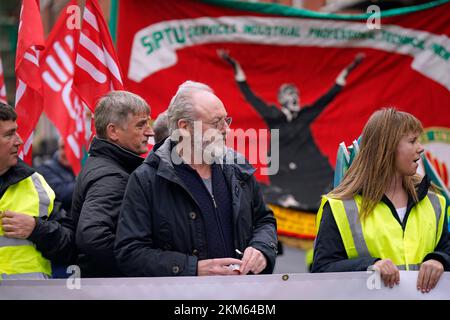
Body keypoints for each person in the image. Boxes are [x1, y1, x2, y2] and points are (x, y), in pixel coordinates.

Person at [114, 81, 278, 277]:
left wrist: (261, 249)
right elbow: (130, 253)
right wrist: (192, 269)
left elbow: (264, 220)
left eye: (227, 121)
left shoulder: (237, 167)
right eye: (217, 123)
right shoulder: (147, 179)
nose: (227, 130)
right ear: (184, 127)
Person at [312, 108, 450, 293]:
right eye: (412, 141)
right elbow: (321, 272)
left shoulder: (435, 202)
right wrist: (369, 266)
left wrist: (440, 259)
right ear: (387, 148)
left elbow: (447, 250)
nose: (420, 147)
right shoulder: (339, 207)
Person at [219, 50, 364, 210]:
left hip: (309, 170)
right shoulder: (273, 115)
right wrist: (234, 65)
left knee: (330, 180)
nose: (295, 97)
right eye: (290, 94)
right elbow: (250, 95)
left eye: (296, 94)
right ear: (282, 100)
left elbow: (328, 97)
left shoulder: (304, 116)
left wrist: (350, 68)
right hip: (284, 171)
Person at [70, 91, 154, 277]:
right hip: (111, 288)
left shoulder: (108, 166)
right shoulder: (111, 176)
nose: (150, 132)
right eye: (141, 125)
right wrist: (137, 261)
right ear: (113, 131)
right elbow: (92, 236)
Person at [0, 103, 75, 279]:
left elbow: (69, 246)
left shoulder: (35, 182)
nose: (19, 140)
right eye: (9, 134)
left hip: (30, 294)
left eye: (16, 131)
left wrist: (36, 228)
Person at [38, 138, 76, 213]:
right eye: (62, 147)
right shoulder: (46, 169)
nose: (65, 152)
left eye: (70, 147)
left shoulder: (84, 167)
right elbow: (62, 195)